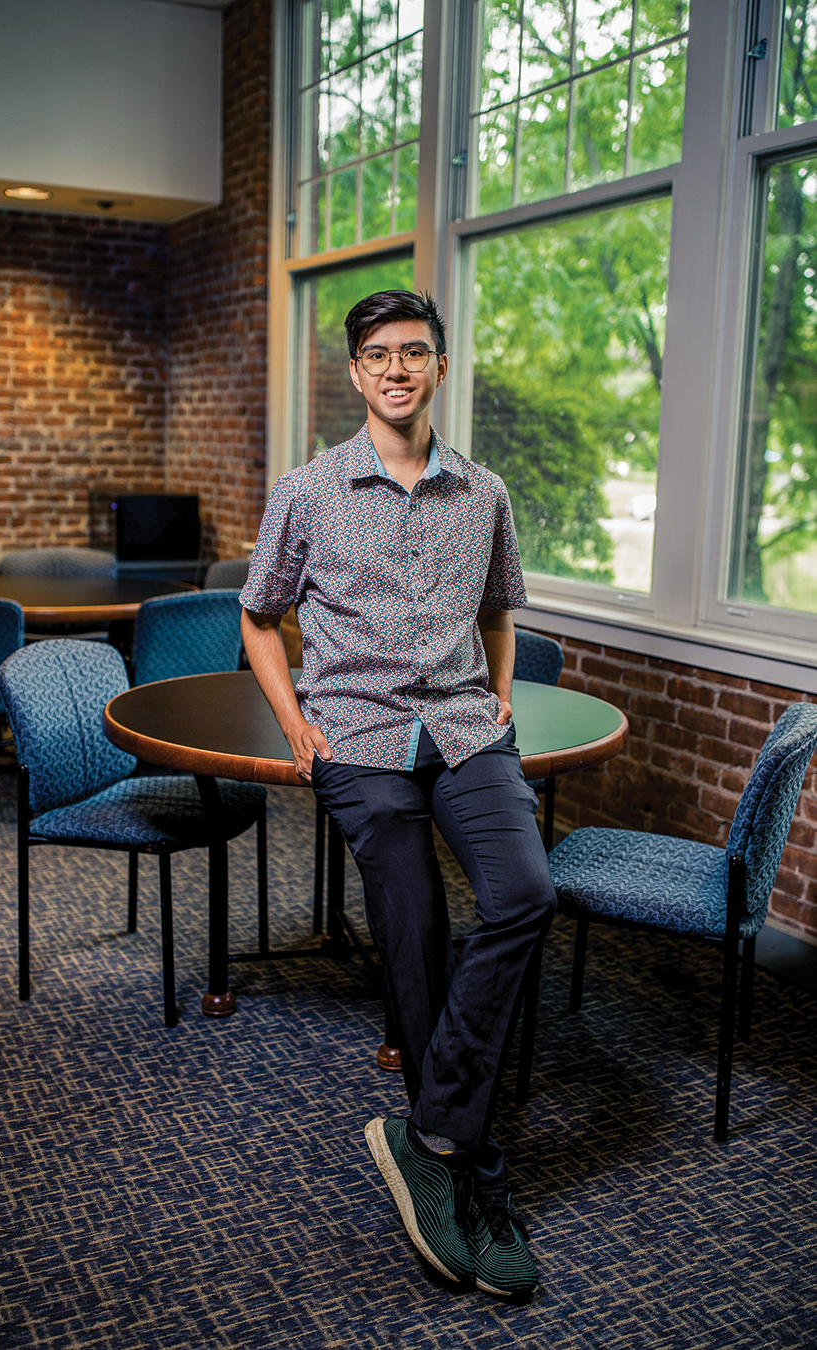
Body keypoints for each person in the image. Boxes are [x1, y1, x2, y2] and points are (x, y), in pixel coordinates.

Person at [239, 290, 556, 1300]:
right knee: (412, 926)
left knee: (524, 896)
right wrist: (297, 724)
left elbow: (500, 609)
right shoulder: (309, 490)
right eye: (378, 354)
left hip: (465, 732)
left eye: (414, 351)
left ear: (440, 366)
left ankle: (433, 1137)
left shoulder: (485, 494)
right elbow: (259, 617)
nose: (396, 368)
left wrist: (501, 695)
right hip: (362, 738)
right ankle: (477, 1174)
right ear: (356, 373)